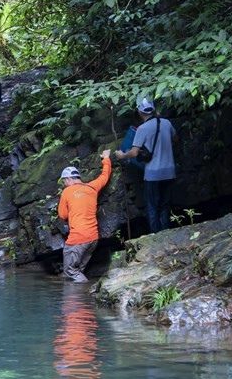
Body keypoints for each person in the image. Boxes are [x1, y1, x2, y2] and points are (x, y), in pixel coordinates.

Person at [115, 98, 177, 233]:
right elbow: (175, 138)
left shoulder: (142, 129)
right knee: (164, 205)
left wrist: (122, 155)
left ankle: (155, 235)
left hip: (153, 174)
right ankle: (166, 232)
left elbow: (134, 152)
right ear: (153, 109)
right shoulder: (166, 123)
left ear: (139, 111)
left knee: (152, 206)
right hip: (170, 171)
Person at [57, 149, 112, 282]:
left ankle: (85, 291)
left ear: (69, 179)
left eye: (64, 182)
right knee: (78, 271)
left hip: (77, 239)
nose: (64, 184)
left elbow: (62, 215)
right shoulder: (92, 187)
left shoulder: (67, 192)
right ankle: (81, 300)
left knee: (70, 271)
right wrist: (106, 158)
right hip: (92, 239)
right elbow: (105, 175)